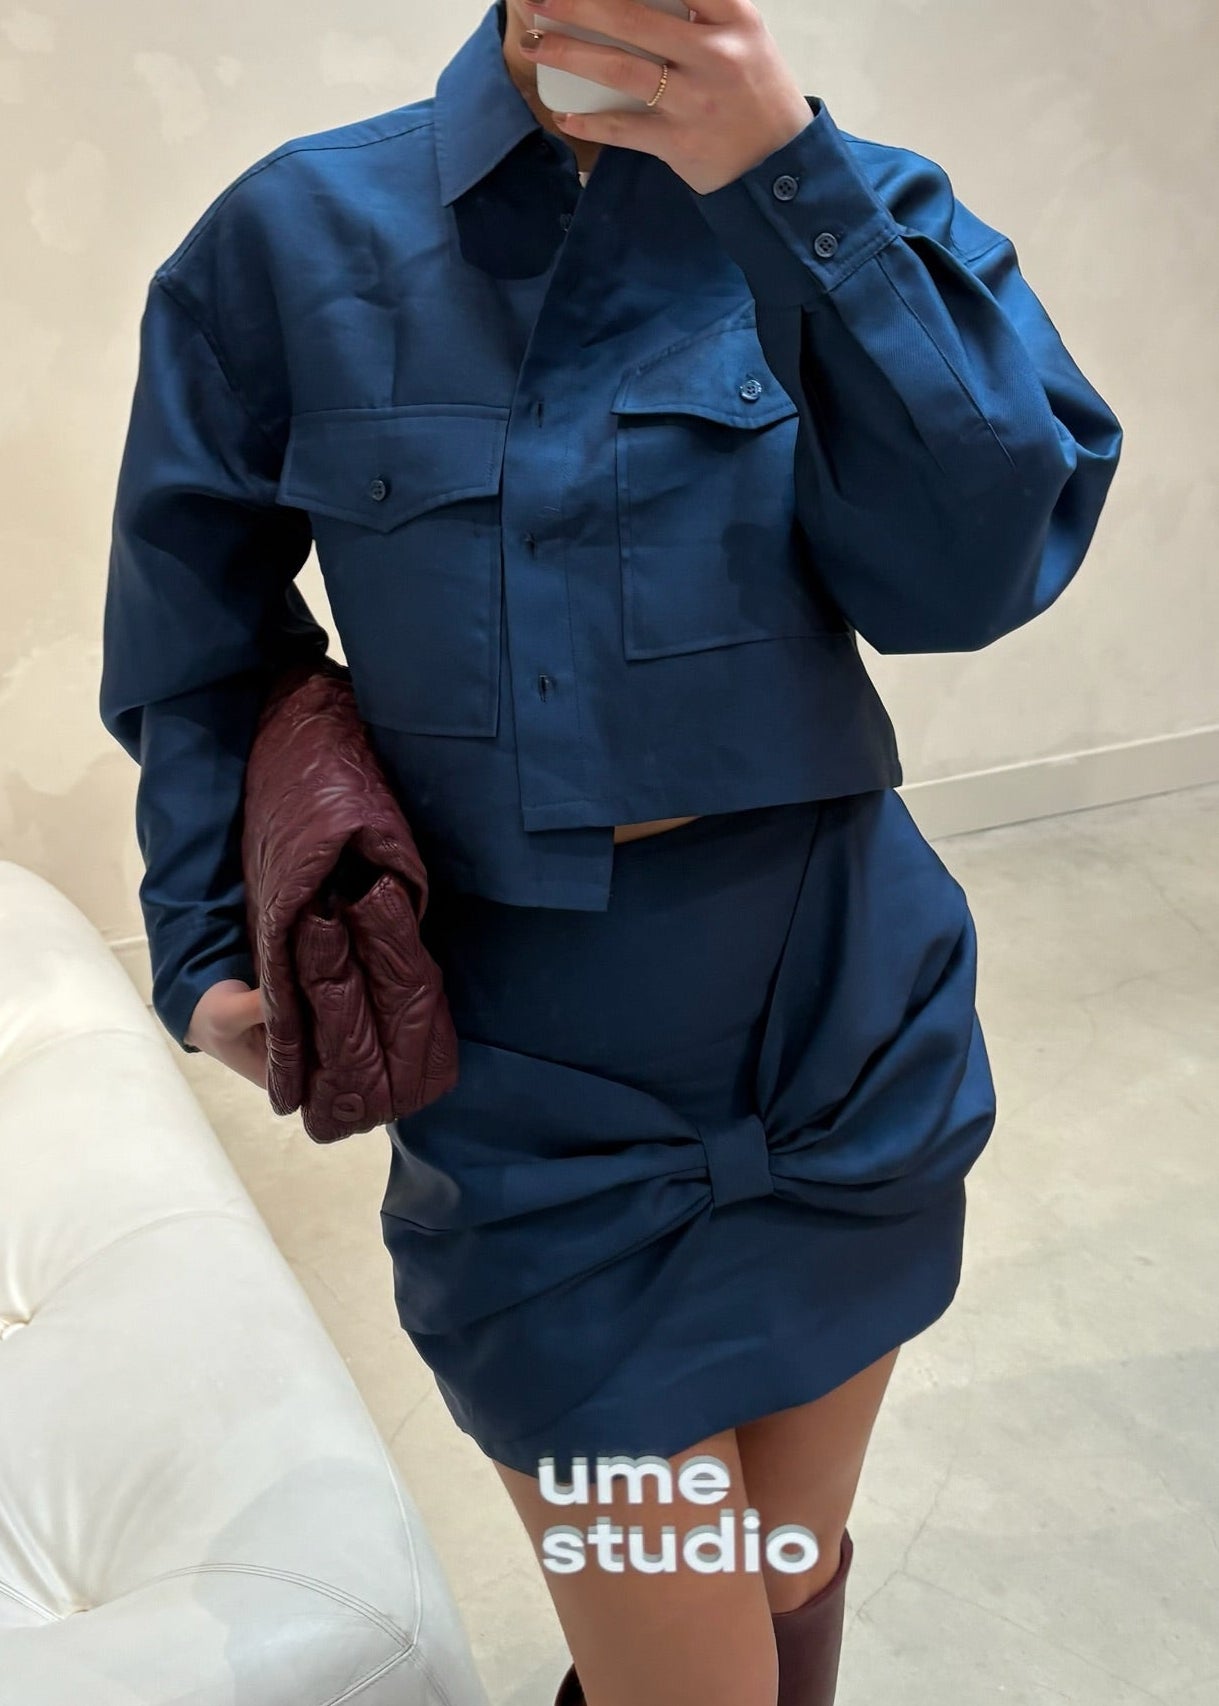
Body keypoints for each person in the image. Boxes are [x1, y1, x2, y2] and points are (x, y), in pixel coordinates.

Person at [98, 2, 1123, 1702]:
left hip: (845, 1037)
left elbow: (977, 571)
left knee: (783, 1565)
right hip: (532, 1110)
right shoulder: (294, 237)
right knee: (686, 1663)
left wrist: (789, 189)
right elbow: (194, 619)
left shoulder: (868, 209)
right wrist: (206, 923)